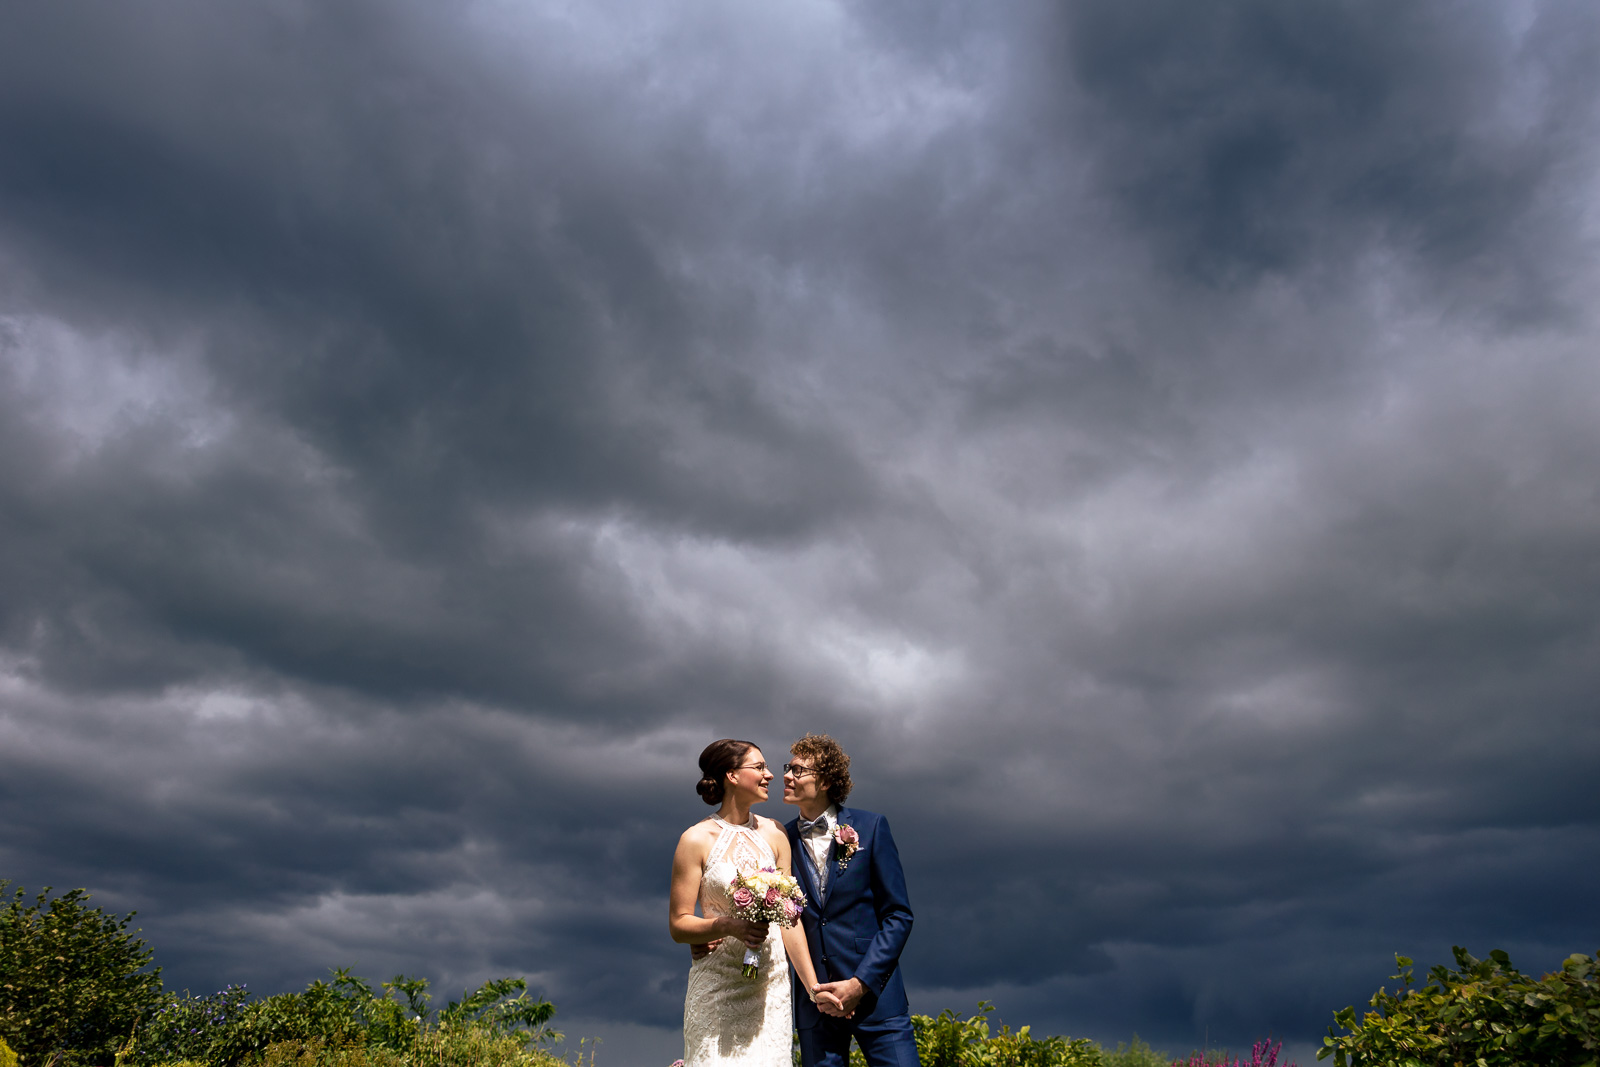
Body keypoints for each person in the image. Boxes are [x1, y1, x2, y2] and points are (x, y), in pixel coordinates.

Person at [669, 739, 842, 1066]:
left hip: (770, 991)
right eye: (759, 767)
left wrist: (812, 986)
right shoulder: (694, 840)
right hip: (718, 987)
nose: (771, 775)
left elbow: (789, 921)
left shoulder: (776, 834)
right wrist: (725, 926)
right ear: (732, 776)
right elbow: (679, 925)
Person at [783, 734, 921, 1067]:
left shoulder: (871, 828)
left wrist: (860, 984)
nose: (786, 776)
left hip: (876, 995)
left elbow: (899, 915)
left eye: (798, 770)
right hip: (816, 1003)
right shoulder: (780, 838)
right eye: (788, 768)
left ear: (826, 780)